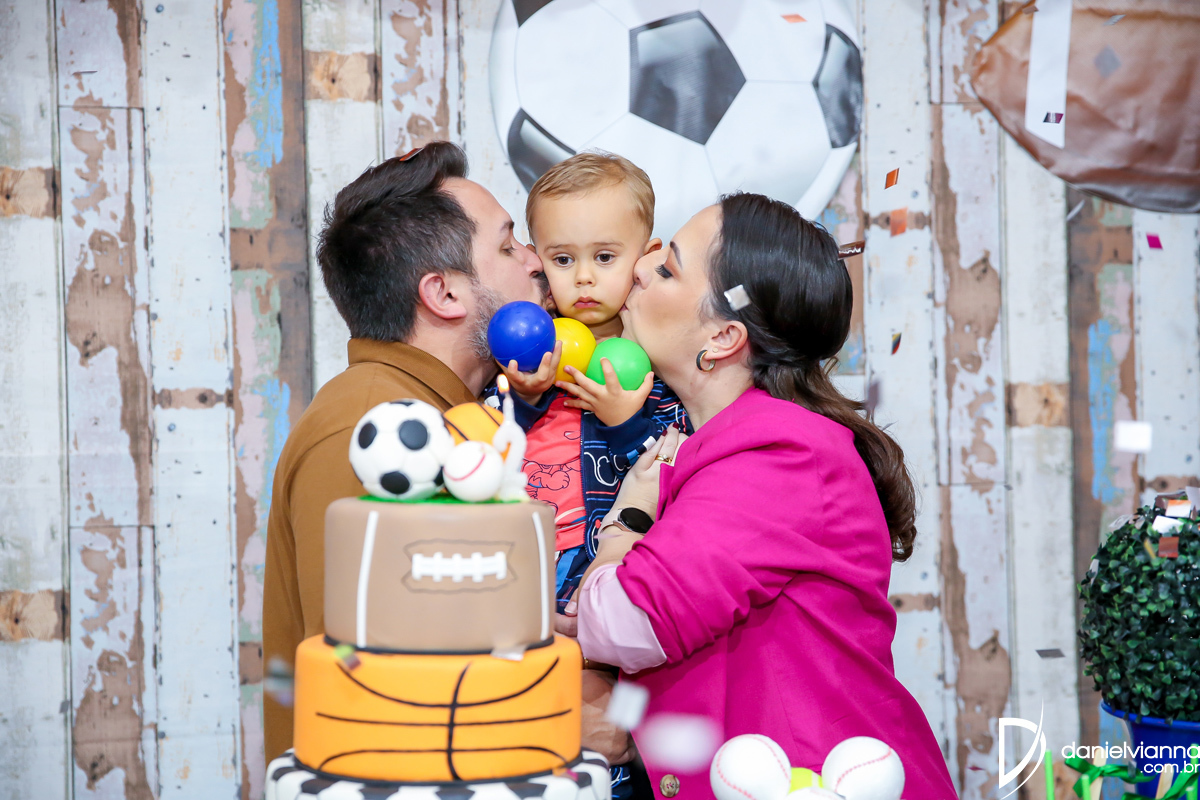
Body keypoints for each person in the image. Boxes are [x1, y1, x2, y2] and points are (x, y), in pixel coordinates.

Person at [572, 194, 959, 799]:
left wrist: (626, 523)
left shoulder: (778, 455)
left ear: (723, 337)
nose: (638, 270)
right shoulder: (731, 446)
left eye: (667, 268)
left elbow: (623, 622)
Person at [261, 142, 545, 762]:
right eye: (507, 248)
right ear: (444, 294)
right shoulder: (371, 428)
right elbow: (369, 694)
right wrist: (562, 721)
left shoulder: (467, 416)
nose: (536, 261)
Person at [493, 152, 690, 799]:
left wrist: (628, 424)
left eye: (605, 257)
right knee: (531, 756)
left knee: (621, 754)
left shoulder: (660, 369)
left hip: (624, 611)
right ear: (537, 259)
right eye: (562, 258)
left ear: (646, 254)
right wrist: (522, 399)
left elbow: (678, 473)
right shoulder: (528, 359)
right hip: (532, 608)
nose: (583, 277)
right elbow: (481, 461)